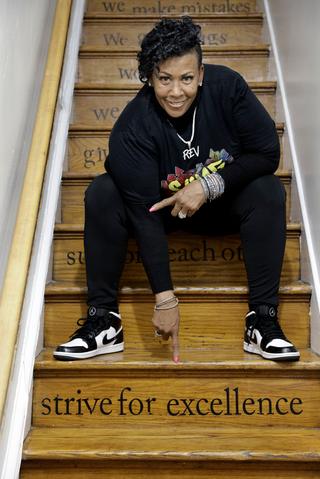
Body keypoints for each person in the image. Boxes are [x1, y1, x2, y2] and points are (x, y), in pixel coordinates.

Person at [54, 16, 300, 363]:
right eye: (164, 79)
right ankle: (104, 320)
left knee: (268, 190)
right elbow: (142, 215)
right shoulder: (133, 127)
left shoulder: (228, 88)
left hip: (221, 206)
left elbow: (267, 154)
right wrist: (165, 299)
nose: (176, 92)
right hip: (160, 213)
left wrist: (208, 185)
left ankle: (262, 319)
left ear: (201, 74)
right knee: (102, 192)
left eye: (186, 78)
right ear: (150, 77)